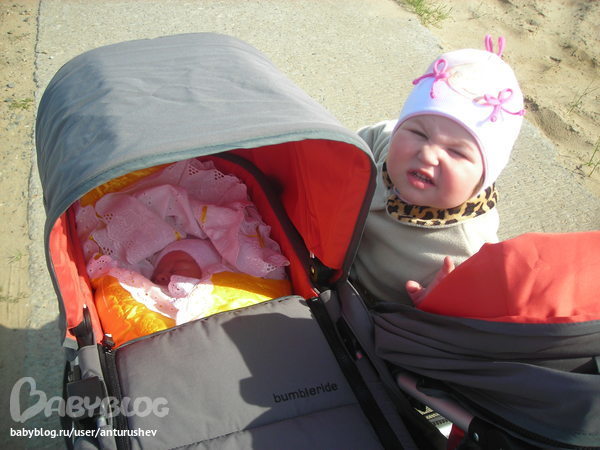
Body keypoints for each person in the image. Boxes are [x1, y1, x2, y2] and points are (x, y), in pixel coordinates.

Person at [352, 35, 525, 306]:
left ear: (486, 175)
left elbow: (469, 315)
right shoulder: (382, 141)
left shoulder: (467, 252)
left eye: (456, 152)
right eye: (419, 133)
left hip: (369, 312)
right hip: (321, 256)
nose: (428, 154)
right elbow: (338, 153)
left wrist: (433, 304)